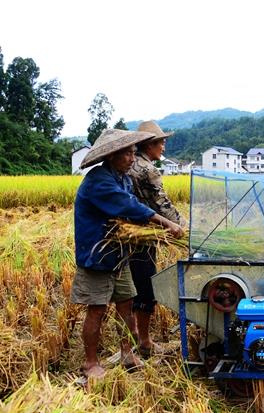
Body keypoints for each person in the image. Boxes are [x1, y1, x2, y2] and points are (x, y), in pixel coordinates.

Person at [72, 129, 184, 379]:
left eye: (134, 153)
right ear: (112, 156)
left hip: (118, 254)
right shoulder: (99, 180)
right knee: (97, 309)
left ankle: (127, 353)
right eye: (127, 154)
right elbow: (129, 206)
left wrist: (151, 229)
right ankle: (91, 364)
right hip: (97, 255)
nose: (133, 159)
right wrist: (166, 224)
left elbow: (132, 212)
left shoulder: (121, 177)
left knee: (126, 304)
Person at [128, 120, 186, 358]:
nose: (164, 146)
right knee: (145, 288)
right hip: (141, 237)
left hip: (129, 234)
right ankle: (144, 342)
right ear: (149, 145)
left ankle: (134, 341)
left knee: (132, 289)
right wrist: (183, 226)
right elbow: (162, 205)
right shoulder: (147, 169)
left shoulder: (130, 165)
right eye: (161, 142)